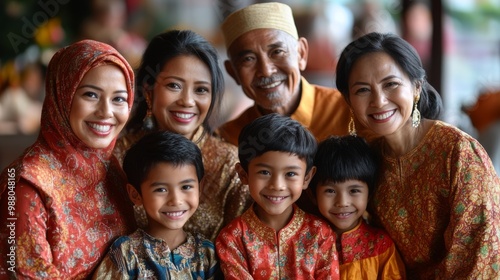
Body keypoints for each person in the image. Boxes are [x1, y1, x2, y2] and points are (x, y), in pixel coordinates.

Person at [335, 32, 500, 278]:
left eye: (391, 84)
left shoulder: (458, 152)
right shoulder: (368, 159)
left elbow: (481, 261)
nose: (379, 101)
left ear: (416, 87)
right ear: (348, 100)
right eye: (362, 90)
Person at [0, 39, 136, 278]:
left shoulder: (114, 169)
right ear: (62, 95)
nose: (106, 112)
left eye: (119, 99)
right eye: (91, 95)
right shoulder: (25, 182)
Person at [114, 29, 251, 241]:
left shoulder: (230, 165)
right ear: (149, 90)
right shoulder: (117, 157)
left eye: (201, 90)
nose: (187, 101)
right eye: (174, 86)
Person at [217, 2, 368, 146]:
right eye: (248, 59)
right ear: (233, 72)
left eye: (277, 52)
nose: (266, 71)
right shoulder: (229, 140)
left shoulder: (351, 113)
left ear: (301, 53)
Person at [216, 113, 340, 279]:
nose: (277, 185)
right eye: (265, 172)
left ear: (307, 178)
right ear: (243, 174)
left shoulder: (320, 234)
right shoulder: (232, 239)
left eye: (290, 173)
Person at [93, 131, 219, 279]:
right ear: (135, 194)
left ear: (200, 187)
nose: (176, 200)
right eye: (161, 189)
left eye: (186, 187)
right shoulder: (126, 253)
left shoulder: (206, 254)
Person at [310, 135, 405, 279]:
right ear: (313, 195)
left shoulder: (381, 245)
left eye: (354, 191)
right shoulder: (306, 243)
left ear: (369, 194)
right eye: (330, 191)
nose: (342, 202)